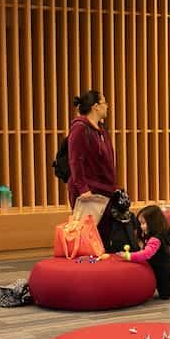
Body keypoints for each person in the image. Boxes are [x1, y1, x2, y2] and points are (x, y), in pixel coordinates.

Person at [65, 89, 123, 245]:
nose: (108, 105)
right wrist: (82, 188)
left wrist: (113, 186)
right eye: (104, 102)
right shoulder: (80, 128)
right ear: (96, 106)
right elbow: (75, 160)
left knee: (103, 238)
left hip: (104, 189)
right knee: (87, 237)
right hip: (89, 192)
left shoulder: (101, 130)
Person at [126, 204, 170, 300]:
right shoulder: (151, 237)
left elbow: (146, 254)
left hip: (164, 272)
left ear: (153, 223)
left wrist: (129, 256)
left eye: (144, 223)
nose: (141, 227)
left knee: (165, 295)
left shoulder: (156, 239)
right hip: (158, 271)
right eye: (140, 224)